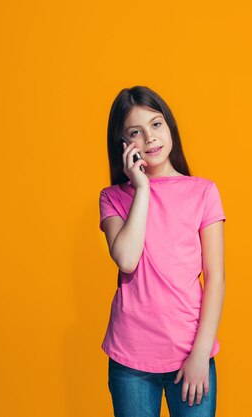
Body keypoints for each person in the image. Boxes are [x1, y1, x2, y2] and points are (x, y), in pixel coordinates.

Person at [99, 85, 227, 417]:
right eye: (136, 132)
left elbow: (215, 278)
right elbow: (127, 259)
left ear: (169, 125)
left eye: (156, 124)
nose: (150, 138)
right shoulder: (114, 198)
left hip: (191, 354)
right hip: (130, 360)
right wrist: (141, 188)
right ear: (124, 144)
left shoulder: (203, 192)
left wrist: (200, 356)